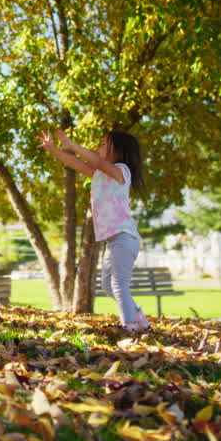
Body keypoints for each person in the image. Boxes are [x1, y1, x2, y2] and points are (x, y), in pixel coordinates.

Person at [39, 128, 150, 332]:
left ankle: (130, 326)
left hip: (125, 237)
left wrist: (72, 145)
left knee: (119, 285)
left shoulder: (122, 170)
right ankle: (140, 320)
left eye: (103, 144)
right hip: (114, 240)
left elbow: (98, 162)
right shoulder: (101, 175)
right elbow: (76, 163)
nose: (98, 147)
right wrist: (53, 149)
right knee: (108, 286)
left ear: (118, 150)